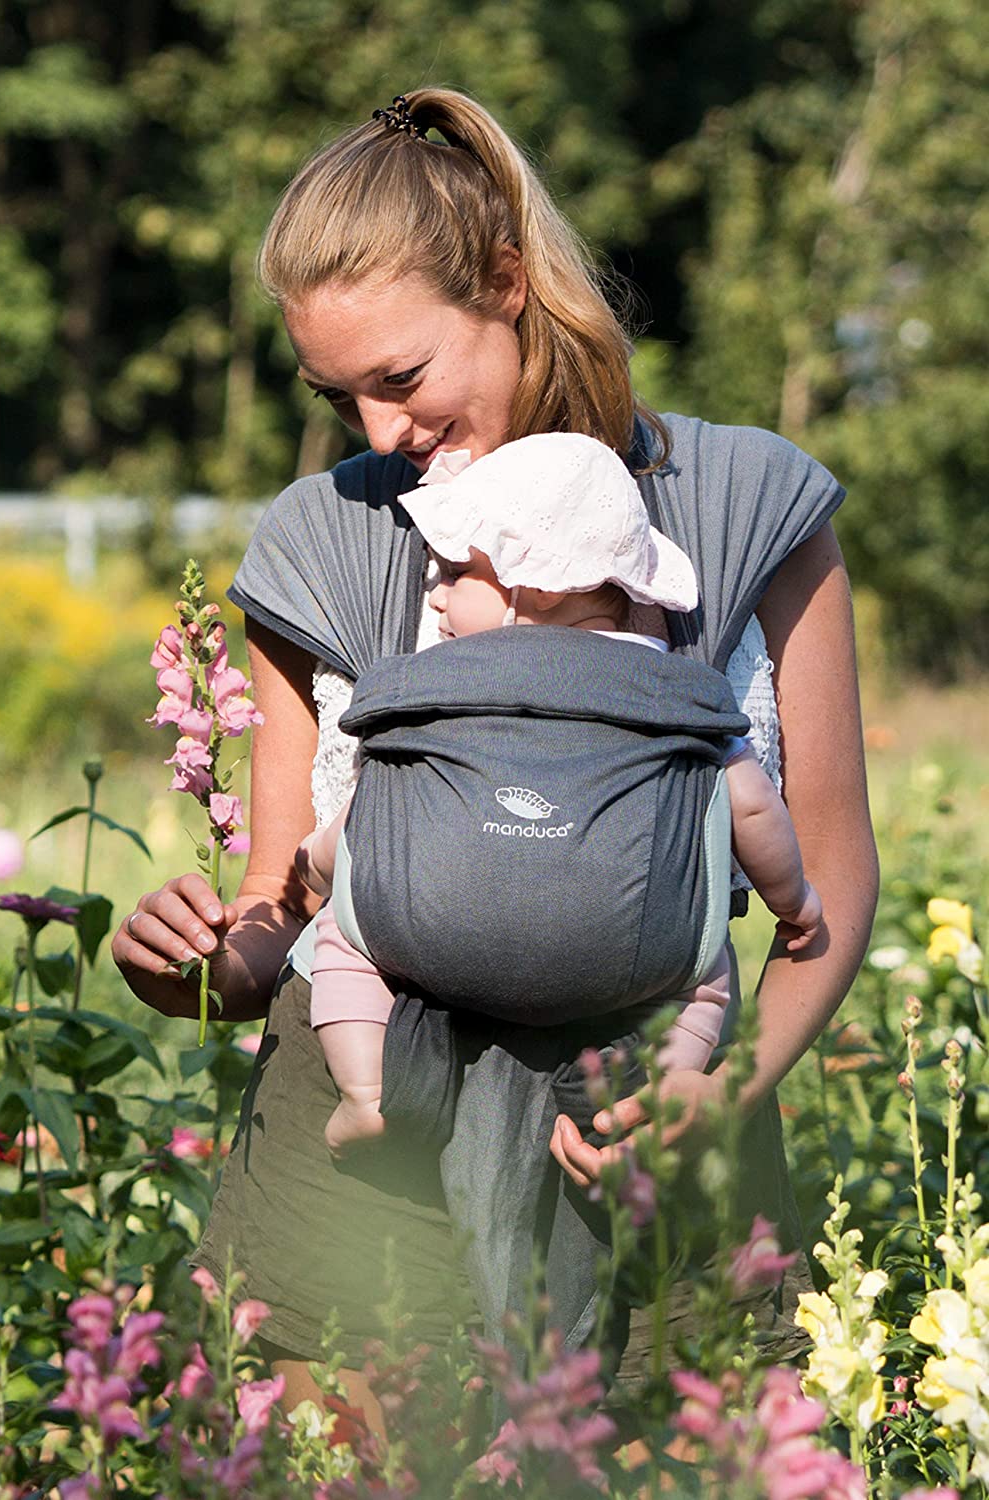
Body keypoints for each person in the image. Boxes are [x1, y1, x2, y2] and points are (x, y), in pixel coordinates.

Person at [112, 87, 878, 1427]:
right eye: (335, 394)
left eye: (401, 378)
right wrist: (190, 966)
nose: (377, 436)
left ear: (513, 286)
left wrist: (726, 1085)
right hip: (361, 1176)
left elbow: (834, 877)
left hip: (646, 1154)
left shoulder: (746, 510)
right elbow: (278, 921)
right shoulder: (328, 539)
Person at [295, 433, 822, 1156]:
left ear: (534, 586)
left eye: (453, 571)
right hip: (628, 955)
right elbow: (754, 805)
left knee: (345, 945)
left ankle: (368, 1095)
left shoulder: (429, 683)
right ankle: (644, 1112)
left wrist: (318, 861)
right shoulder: (677, 694)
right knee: (701, 981)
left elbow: (375, 809)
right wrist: (794, 903)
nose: (437, 594)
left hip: (425, 938)